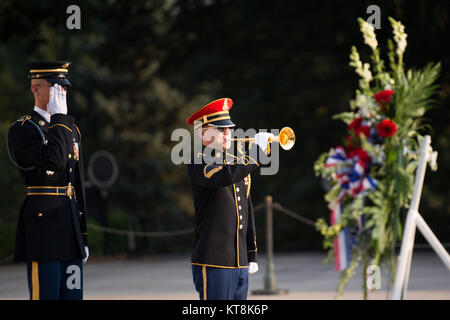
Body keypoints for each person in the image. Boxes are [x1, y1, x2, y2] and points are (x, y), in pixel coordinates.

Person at [6, 61, 89, 300]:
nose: (60, 94)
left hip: (69, 226)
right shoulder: (24, 130)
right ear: (35, 88)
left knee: (73, 297)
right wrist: (60, 119)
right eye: (54, 88)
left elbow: (77, 184)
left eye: (62, 89)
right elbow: (54, 161)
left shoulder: (70, 129)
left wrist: (83, 236)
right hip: (43, 229)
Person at [186, 98, 273, 300]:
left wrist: (250, 254)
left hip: (239, 261)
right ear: (202, 133)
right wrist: (256, 153)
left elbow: (246, 209)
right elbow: (226, 176)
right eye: (220, 130)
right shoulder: (199, 161)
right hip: (214, 261)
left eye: (229, 129)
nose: (227, 134)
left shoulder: (235, 164)